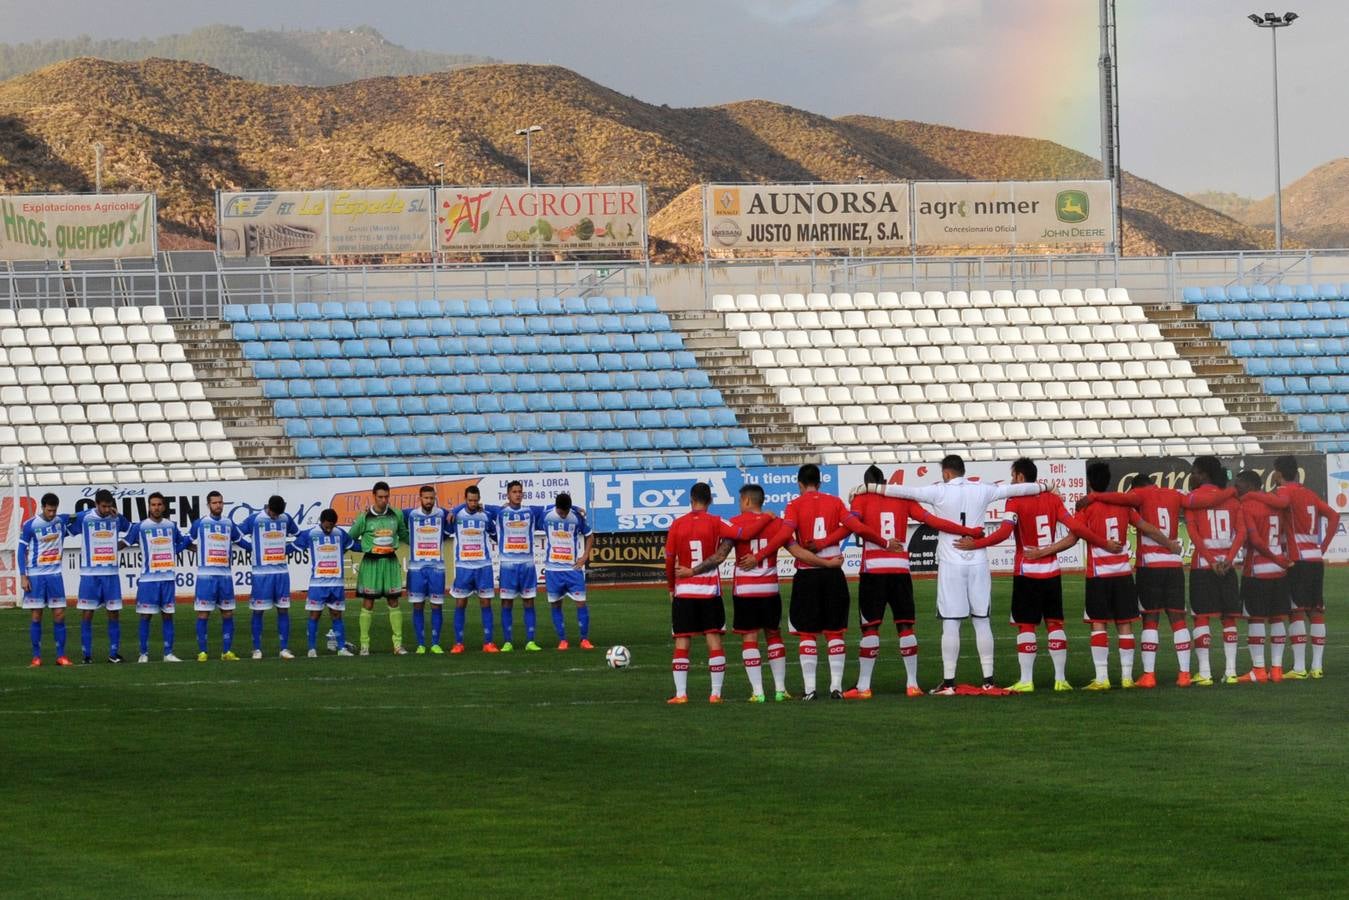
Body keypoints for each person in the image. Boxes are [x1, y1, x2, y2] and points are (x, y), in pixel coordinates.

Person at [852, 455, 1052, 695]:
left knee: (951, 622)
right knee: (982, 620)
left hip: (951, 562)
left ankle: (948, 683)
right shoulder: (983, 489)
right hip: (978, 560)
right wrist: (1047, 486)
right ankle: (988, 680)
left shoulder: (939, 492)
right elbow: (1020, 488)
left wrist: (867, 488)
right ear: (963, 470)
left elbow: (905, 491)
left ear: (946, 473)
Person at [957, 458, 1123, 692]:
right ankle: (1060, 679)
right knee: (1055, 624)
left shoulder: (1014, 501)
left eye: (1013, 476)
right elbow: (1075, 529)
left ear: (1021, 478)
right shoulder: (1053, 499)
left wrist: (977, 544)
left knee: (1026, 626)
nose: (1012, 480)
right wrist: (1104, 542)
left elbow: (1004, 533)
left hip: (1027, 571)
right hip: (1052, 571)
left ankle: (1026, 681)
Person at [749, 463, 896, 700]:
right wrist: (884, 542)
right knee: (834, 631)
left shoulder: (795, 505)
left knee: (807, 633)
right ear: (820, 482)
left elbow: (785, 535)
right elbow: (854, 527)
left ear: (799, 484)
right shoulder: (835, 502)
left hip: (807, 574)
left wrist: (758, 555)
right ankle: (835, 687)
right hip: (832, 572)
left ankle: (809, 690)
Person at [681, 484, 832, 702]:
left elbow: (720, 556)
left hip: (745, 591)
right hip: (769, 589)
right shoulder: (777, 523)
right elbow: (797, 551)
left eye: (740, 500)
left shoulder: (735, 523)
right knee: (773, 635)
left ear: (747, 501)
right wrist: (826, 563)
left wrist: (692, 571)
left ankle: (758, 692)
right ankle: (780, 690)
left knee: (749, 638)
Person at [845, 464, 980, 699]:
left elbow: (853, 525)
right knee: (905, 626)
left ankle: (864, 687)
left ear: (866, 483)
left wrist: (882, 542)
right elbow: (933, 521)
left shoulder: (861, 499)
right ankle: (912, 684)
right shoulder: (901, 498)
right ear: (885, 481)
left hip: (873, 571)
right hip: (900, 570)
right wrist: (967, 529)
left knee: (870, 628)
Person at [1048, 462, 1172, 690]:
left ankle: (1102, 678)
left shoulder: (1088, 508)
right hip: (1123, 573)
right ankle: (1126, 677)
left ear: (1089, 481)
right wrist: (1170, 544)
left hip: (1099, 575)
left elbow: (1072, 537)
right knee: (1125, 624)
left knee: (1099, 623)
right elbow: (1147, 527)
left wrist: (1043, 552)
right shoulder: (1124, 507)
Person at [663, 482, 777, 704]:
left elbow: (668, 560)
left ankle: (681, 694)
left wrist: (670, 586)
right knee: (713, 639)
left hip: (684, 591)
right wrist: (766, 517)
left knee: (682, 641)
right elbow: (745, 533)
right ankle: (716, 694)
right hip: (709, 592)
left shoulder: (677, 524)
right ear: (710, 501)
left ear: (691, 499)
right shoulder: (716, 522)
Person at [1074, 474, 1191, 688]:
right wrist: (1171, 545)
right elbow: (1193, 505)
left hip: (1144, 566)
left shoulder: (1135, 496)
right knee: (1177, 619)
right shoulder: (1174, 494)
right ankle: (1184, 674)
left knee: (1149, 619)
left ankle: (1147, 675)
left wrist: (1093, 498)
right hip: (1172, 564)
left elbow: (1076, 531)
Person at [1271, 455, 1340, 679]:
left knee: (1296, 611)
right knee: (1316, 611)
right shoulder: (1310, 494)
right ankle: (1317, 667)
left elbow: (1279, 506)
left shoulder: (1284, 492)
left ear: (1279, 473)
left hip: (1296, 558)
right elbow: (1334, 515)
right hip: (1314, 558)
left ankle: (1299, 668)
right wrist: (1323, 546)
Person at [1181, 456, 1246, 686]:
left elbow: (1194, 535)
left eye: (1195, 472)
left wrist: (1210, 561)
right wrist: (1228, 560)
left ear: (1204, 474)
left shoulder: (1191, 500)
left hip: (1203, 566)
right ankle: (1231, 671)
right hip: (1227, 567)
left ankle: (1205, 672)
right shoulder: (1233, 501)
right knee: (1229, 618)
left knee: (1202, 617)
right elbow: (1241, 532)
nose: (1192, 476)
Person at [1233, 471, 1294, 683]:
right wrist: (1281, 559)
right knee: (1277, 617)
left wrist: (1275, 559)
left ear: (1250, 485)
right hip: (1278, 571)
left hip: (1257, 569)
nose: (1236, 489)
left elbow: (1256, 541)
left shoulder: (1246, 506)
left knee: (1255, 618)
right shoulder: (1276, 504)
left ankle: (1258, 669)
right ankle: (1276, 669)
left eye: (1239, 485)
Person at [124, 492, 192, 663]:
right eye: (153, 504)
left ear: (164, 506)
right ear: (148, 506)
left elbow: (182, 542)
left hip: (167, 578)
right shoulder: (140, 527)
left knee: (168, 615)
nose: (156, 508)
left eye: (159, 504)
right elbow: (124, 543)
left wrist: (200, 549)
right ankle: (143, 653)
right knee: (145, 616)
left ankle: (168, 653)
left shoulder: (171, 526)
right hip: (148, 580)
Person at [68, 489, 132, 664]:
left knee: (114, 613)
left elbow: (132, 529)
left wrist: (122, 543)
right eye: (103, 507)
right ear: (96, 504)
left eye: (109, 506)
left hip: (111, 574)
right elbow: (65, 527)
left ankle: (113, 653)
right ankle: (86, 655)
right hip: (90, 575)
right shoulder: (84, 517)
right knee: (87, 614)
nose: (106, 510)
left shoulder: (116, 517)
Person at [348, 481, 410, 656]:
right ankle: (365, 646)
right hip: (371, 564)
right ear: (373, 496)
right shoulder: (364, 517)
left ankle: (398, 645)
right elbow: (350, 539)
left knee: (394, 602)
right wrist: (366, 548)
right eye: (380, 497)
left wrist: (421, 541)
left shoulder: (396, 514)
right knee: (368, 603)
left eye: (386, 497)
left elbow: (404, 534)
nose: (384, 500)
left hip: (390, 562)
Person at [238, 495, 300, 660]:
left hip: (281, 573)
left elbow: (299, 535)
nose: (275, 516)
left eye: (278, 514)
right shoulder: (255, 519)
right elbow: (235, 534)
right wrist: (250, 547)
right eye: (273, 513)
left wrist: (290, 549)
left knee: (283, 610)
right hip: (261, 574)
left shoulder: (285, 518)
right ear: (268, 507)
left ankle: (284, 648)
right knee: (258, 611)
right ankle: (256, 649)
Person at [186, 490, 243, 661]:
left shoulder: (229, 523)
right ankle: (202, 652)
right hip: (206, 577)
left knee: (228, 613)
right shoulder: (200, 523)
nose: (218, 505)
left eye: (220, 502)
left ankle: (226, 652)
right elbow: (186, 542)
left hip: (225, 577)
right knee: (203, 614)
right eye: (215, 503)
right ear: (208, 505)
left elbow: (241, 541)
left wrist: (257, 550)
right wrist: (195, 549)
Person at [494, 480, 549, 652]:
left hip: (527, 565)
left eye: (520, 491)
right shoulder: (499, 512)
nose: (518, 494)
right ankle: (508, 641)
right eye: (514, 491)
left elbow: (554, 506)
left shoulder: (531, 511)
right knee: (506, 604)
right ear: (508, 495)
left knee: (529, 603)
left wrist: (576, 509)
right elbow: (474, 505)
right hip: (507, 566)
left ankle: (530, 641)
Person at [294, 508, 356, 658]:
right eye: (328, 525)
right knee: (314, 615)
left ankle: (341, 648)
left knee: (337, 615)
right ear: (321, 522)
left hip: (336, 583)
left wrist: (372, 549)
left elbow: (354, 545)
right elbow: (293, 547)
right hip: (318, 583)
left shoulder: (340, 533)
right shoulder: (311, 533)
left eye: (332, 525)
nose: (329, 528)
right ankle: (311, 649)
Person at [19, 493, 71, 667]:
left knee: (59, 615)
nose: (51, 514)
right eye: (49, 510)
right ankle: (36, 657)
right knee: (36, 616)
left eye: (54, 510)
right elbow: (21, 551)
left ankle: (61, 656)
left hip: (55, 576)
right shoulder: (30, 525)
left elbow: (82, 516)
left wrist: (111, 512)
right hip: (36, 576)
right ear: (42, 507)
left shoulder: (61, 521)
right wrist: (23, 576)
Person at [447, 485, 500, 653]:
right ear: (465, 500)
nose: (473, 503)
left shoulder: (486, 515)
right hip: (463, 567)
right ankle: (458, 643)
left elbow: (495, 534)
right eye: (470, 500)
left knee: (486, 603)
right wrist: (455, 509)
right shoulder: (456, 516)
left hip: (483, 566)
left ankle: (488, 643)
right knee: (460, 603)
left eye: (476, 500)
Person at [405, 485, 452, 654]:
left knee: (436, 606)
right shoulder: (410, 514)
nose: (429, 501)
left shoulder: (442, 514)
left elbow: (457, 513)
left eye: (431, 498)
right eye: (426, 498)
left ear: (435, 498)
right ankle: (420, 644)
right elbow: (390, 514)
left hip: (437, 569)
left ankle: (435, 643)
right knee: (417, 606)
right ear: (420, 498)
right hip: (416, 569)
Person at [543, 493, 593, 650]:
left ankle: (584, 639)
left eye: (566, 512)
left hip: (572, 569)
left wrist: (585, 556)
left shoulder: (576, 516)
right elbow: (524, 510)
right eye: (561, 512)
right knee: (556, 605)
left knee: (581, 603)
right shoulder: (546, 514)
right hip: (553, 570)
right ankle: (562, 640)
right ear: (556, 507)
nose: (564, 515)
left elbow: (590, 535)